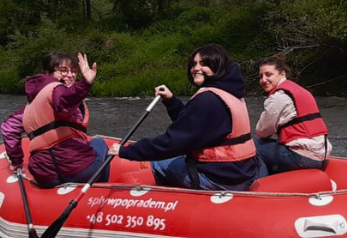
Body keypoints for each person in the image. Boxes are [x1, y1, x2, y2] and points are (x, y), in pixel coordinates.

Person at [110, 44, 264, 191]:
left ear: (217, 66)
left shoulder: (207, 99)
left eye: (203, 63)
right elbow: (194, 126)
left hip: (220, 180)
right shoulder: (230, 93)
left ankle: (166, 208)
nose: (196, 68)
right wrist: (171, 101)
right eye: (194, 64)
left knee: (158, 164)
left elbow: (171, 143)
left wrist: (126, 151)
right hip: (243, 175)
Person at [22, 51, 112, 188]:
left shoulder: (32, 104)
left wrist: (16, 161)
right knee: (99, 143)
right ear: (49, 73)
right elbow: (64, 101)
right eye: (63, 71)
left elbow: (8, 127)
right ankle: (98, 193)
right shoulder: (57, 91)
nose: (70, 75)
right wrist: (86, 83)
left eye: (74, 71)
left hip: (44, 175)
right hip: (76, 171)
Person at [254, 56, 332, 173]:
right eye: (261, 76)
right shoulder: (300, 90)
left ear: (282, 74)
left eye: (268, 74)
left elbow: (262, 132)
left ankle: (259, 187)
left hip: (303, 157)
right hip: (322, 156)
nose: (264, 80)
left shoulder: (279, 97)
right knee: (269, 145)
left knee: (254, 146)